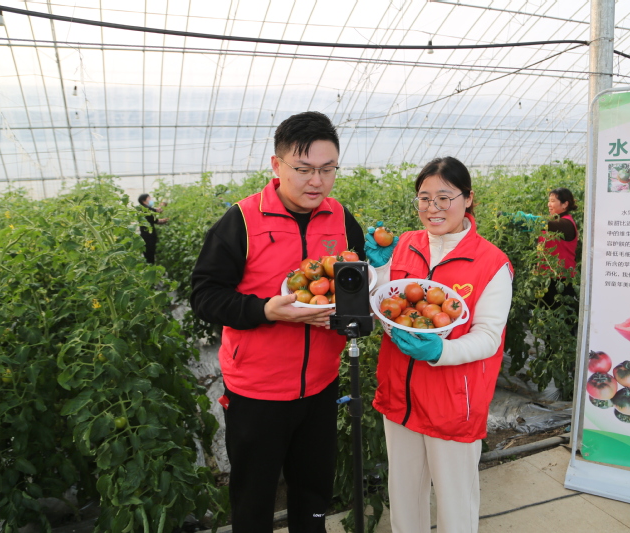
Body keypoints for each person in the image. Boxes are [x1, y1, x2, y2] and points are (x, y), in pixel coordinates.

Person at [189, 111, 365, 532]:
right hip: (257, 393)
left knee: (314, 497)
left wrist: (349, 315)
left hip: (320, 386)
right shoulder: (242, 221)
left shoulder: (342, 220)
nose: (317, 181)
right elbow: (205, 296)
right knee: (254, 503)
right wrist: (265, 311)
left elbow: (354, 289)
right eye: (303, 169)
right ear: (277, 165)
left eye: (327, 169)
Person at [365, 157, 513, 532]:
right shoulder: (405, 245)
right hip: (400, 394)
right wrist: (378, 268)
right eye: (424, 198)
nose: (433, 208)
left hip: (452, 401)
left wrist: (440, 351)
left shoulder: (491, 263)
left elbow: (489, 337)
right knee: (404, 496)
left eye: (444, 197)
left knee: (455, 503)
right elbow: (385, 304)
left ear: (468, 199)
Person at [538, 187, 578, 310]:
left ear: (565, 204)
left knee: (560, 314)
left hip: (561, 279)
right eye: (549, 201)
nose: (549, 204)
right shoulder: (554, 221)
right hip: (546, 278)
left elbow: (547, 225)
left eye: (553, 201)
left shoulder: (566, 224)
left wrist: (525, 219)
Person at [137, 193, 168, 264]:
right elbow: (155, 219)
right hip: (149, 236)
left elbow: (155, 211)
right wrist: (164, 219)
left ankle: (149, 266)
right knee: (150, 254)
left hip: (145, 235)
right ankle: (150, 268)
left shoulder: (142, 209)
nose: (151, 200)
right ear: (143, 201)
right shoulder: (146, 210)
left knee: (148, 254)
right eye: (149, 198)